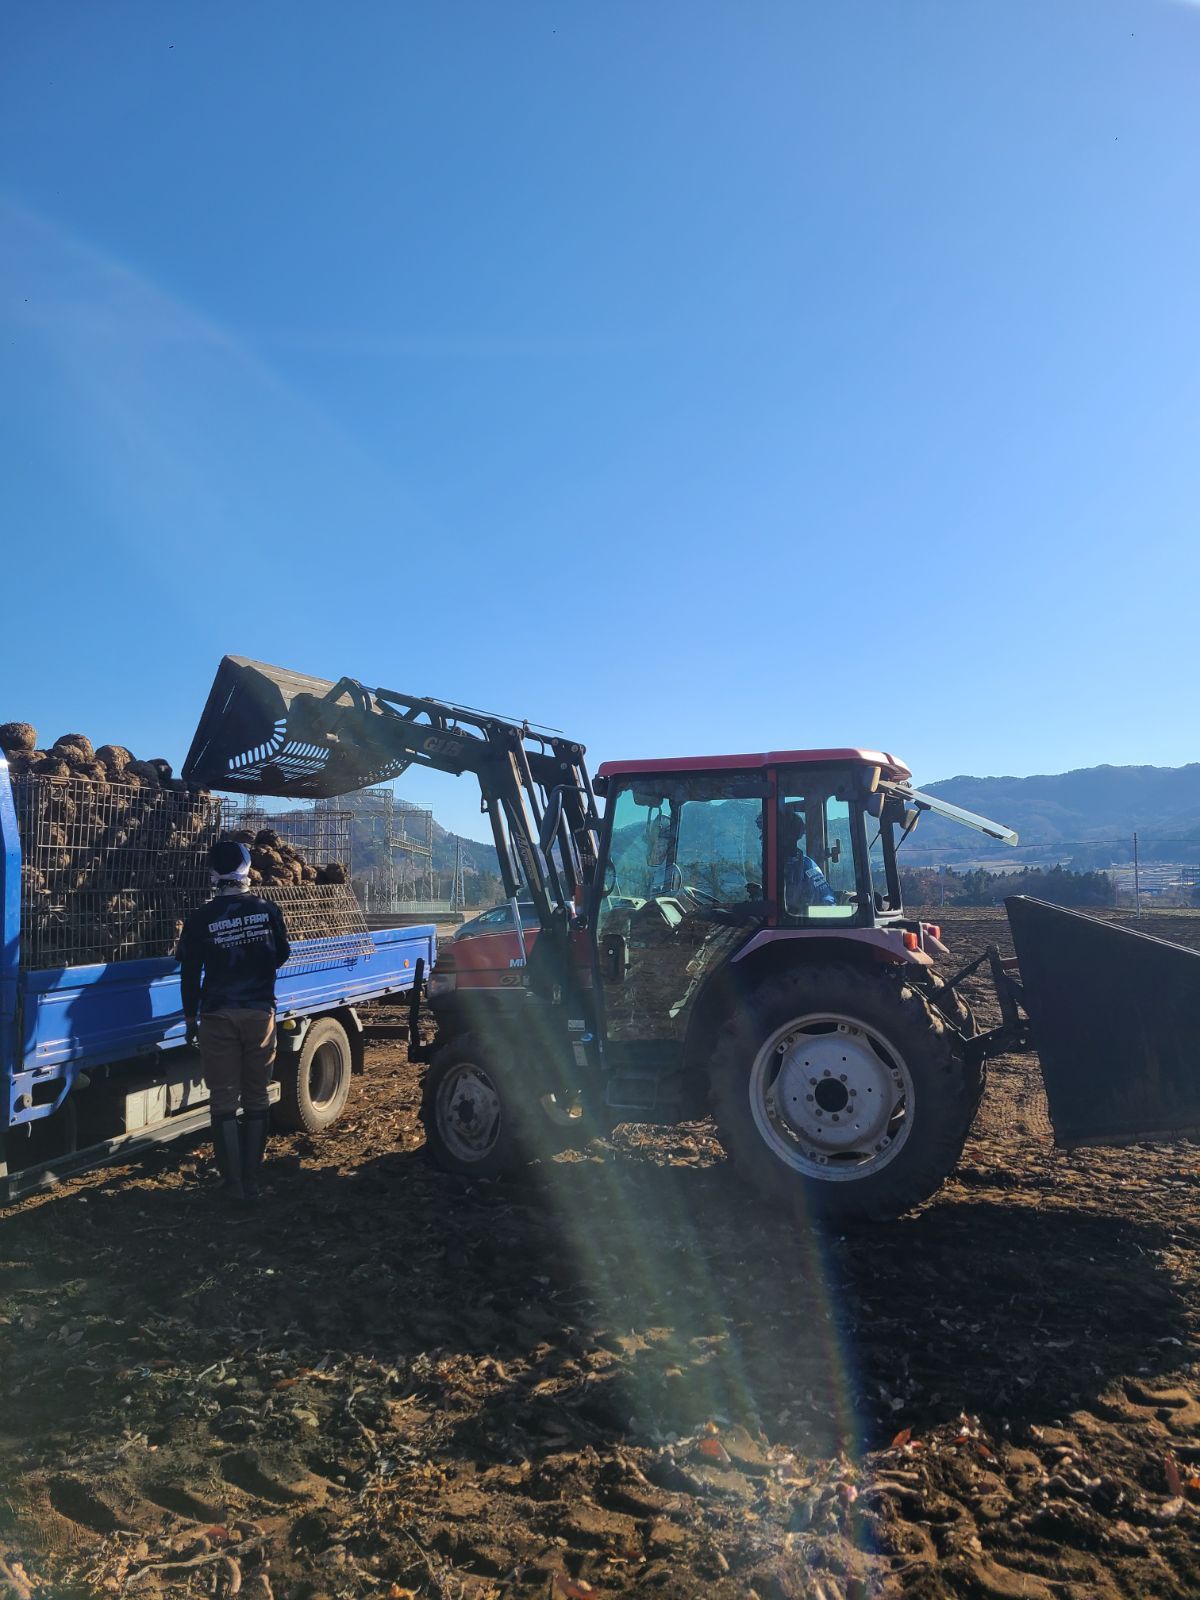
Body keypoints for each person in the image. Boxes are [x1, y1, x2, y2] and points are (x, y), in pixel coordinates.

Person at [177, 840, 291, 1204]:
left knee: (224, 1099)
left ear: (213, 874)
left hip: (218, 1014)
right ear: (247, 870)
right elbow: (282, 954)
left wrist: (190, 1016)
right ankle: (252, 1177)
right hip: (259, 1013)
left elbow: (189, 971)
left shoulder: (200, 918)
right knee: (257, 1094)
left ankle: (232, 1183)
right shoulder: (267, 909)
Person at [780, 808, 837, 912]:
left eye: (765, 834)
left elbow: (830, 907)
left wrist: (804, 913)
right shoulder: (775, 865)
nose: (762, 839)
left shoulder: (807, 866)